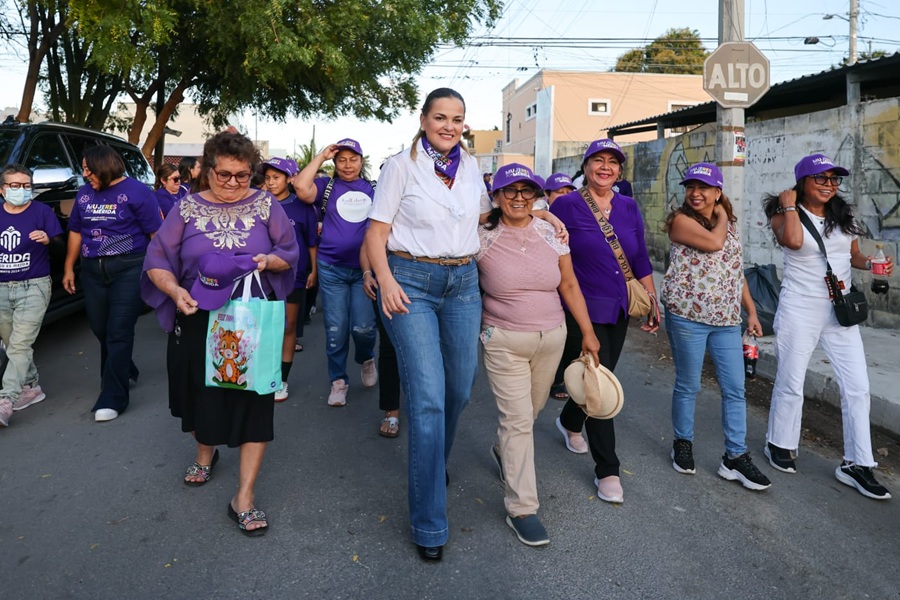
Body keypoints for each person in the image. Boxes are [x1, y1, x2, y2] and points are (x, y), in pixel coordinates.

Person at [141, 131, 299, 535]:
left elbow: (289, 254)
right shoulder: (186, 208)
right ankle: (205, 450)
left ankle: (243, 497)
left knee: (255, 403)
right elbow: (157, 258)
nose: (233, 183)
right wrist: (174, 291)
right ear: (207, 170)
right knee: (196, 398)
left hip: (251, 319)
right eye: (224, 174)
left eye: (242, 175)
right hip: (197, 315)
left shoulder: (266, 205)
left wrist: (267, 261)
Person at [364, 88, 493, 562]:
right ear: (423, 120)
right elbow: (376, 232)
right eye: (440, 117)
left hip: (463, 283)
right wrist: (385, 280)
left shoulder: (471, 166)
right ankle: (429, 523)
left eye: (457, 119)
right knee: (428, 397)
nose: (448, 126)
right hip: (410, 282)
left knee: (459, 389)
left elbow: (486, 216)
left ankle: (432, 463)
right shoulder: (400, 166)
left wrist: (537, 211)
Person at [477, 162, 600, 547]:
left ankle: (503, 450)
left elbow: (569, 283)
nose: (519, 197)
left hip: (552, 337)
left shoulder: (551, 232)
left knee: (529, 414)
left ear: (537, 195)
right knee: (517, 421)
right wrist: (538, 212)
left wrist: (588, 333)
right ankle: (522, 508)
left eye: (526, 190)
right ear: (496, 196)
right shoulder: (481, 233)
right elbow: (450, 224)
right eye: (509, 191)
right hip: (503, 339)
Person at [762, 153, 893, 500]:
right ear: (803, 181)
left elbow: (852, 255)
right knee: (791, 381)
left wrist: (872, 263)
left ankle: (857, 464)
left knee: (858, 387)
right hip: (800, 307)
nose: (829, 185)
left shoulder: (844, 214)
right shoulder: (783, 213)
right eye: (820, 178)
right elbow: (792, 242)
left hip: (840, 309)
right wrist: (789, 205)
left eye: (834, 179)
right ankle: (779, 443)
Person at [549, 138, 658, 504]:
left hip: (619, 307)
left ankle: (569, 420)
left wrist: (651, 297)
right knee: (600, 382)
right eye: (598, 160)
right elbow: (543, 238)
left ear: (619, 170)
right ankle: (608, 469)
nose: (605, 167)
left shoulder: (628, 206)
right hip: (582, 308)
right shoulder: (566, 204)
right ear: (586, 166)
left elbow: (639, 257)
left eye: (613, 161)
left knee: (600, 373)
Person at [661, 162, 771, 491]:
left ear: (717, 191)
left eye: (704, 188)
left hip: (726, 320)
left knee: (735, 388)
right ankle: (682, 443)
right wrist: (723, 214)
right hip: (688, 316)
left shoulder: (729, 225)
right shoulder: (680, 221)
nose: (695, 193)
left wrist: (751, 311)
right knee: (689, 385)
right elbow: (713, 244)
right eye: (690, 187)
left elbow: (735, 271)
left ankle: (735, 456)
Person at [62, 145, 162, 422]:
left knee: (118, 331)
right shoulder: (84, 194)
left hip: (128, 269)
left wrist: (162, 273)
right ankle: (123, 366)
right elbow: (75, 232)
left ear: (104, 167)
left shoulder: (138, 192)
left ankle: (113, 396)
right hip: (92, 271)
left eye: (89, 169)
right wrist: (69, 267)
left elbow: (156, 234)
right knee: (100, 328)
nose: (85, 175)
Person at [294, 139, 377, 407]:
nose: (347, 165)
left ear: (362, 161)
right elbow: (300, 187)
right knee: (335, 329)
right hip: (332, 269)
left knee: (363, 328)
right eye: (341, 160)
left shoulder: (374, 189)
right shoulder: (325, 186)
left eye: (353, 159)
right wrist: (321, 156)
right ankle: (338, 381)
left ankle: (366, 356)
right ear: (335, 162)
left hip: (365, 271)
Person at [0, 165, 64, 427]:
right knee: (11, 341)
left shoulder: (42, 212)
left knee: (19, 344)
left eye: (26, 185)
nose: (22, 190)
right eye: (15, 185)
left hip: (34, 286)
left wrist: (49, 240)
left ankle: (6, 400)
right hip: (2, 288)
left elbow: (61, 248)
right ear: (2, 190)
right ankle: (31, 386)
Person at [262, 157, 318, 401]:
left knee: (288, 326)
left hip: (294, 275)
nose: (271, 182)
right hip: (262, 277)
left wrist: (314, 271)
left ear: (289, 179)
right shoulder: (258, 203)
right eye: (267, 178)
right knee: (264, 327)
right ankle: (263, 374)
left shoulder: (302, 206)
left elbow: (311, 242)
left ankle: (282, 380)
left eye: (276, 177)